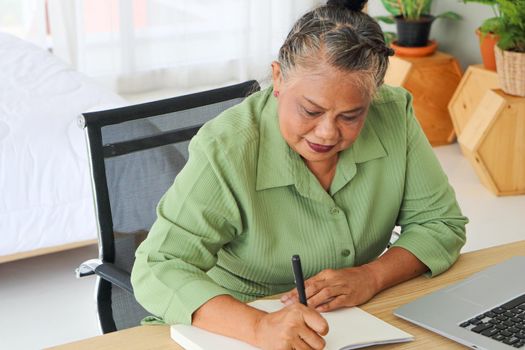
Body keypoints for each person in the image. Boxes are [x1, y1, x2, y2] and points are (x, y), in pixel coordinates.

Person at [131, 0, 468, 349]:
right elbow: (158, 266)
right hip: (240, 326)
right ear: (278, 79)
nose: (326, 133)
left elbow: (440, 224)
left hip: (360, 320)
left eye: (350, 116)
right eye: (311, 110)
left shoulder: (393, 113)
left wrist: (371, 276)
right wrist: (259, 327)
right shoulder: (226, 148)